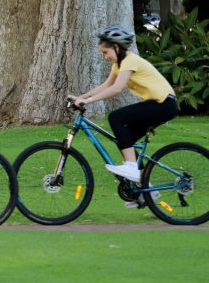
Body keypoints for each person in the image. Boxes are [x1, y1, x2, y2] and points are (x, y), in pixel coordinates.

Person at [71, 25, 178, 187]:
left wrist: (88, 101)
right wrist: (80, 97)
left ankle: (132, 168)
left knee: (115, 117)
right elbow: (105, 86)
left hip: (164, 104)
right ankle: (144, 188)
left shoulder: (130, 60)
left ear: (116, 47)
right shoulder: (119, 65)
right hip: (158, 104)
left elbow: (116, 89)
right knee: (125, 139)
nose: (105, 56)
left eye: (105, 52)